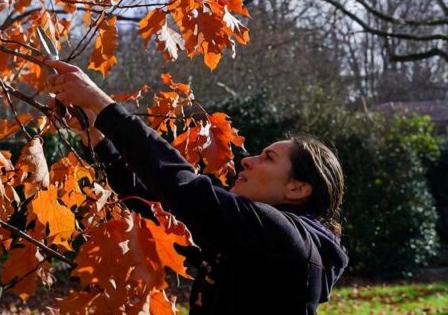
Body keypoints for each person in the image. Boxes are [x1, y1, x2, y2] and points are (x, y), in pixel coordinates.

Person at [45, 59, 348, 314]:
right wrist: (97, 138)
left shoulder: (287, 240)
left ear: (297, 189)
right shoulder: (246, 239)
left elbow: (183, 188)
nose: (248, 161)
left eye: (267, 158)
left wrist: (102, 104)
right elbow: (159, 210)